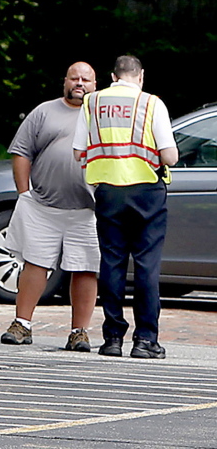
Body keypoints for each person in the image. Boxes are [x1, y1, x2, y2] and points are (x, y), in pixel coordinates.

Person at [73, 55, 178, 359]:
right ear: (140, 76)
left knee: (112, 264)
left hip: (107, 192)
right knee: (146, 266)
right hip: (146, 191)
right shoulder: (151, 103)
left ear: (112, 76)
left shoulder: (91, 103)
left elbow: (79, 151)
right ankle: (145, 341)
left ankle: (112, 339)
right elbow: (169, 156)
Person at [0, 62, 100, 352]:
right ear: (64, 81)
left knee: (85, 268)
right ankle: (22, 324)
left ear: (95, 85)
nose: (79, 83)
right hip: (43, 205)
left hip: (87, 209)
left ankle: (79, 332)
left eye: (86, 79)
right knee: (35, 263)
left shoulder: (100, 116)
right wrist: (24, 193)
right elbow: (21, 152)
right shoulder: (44, 112)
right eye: (74, 78)